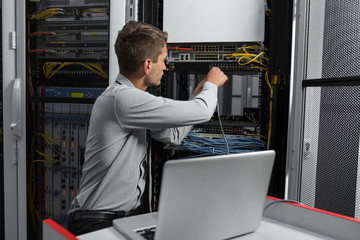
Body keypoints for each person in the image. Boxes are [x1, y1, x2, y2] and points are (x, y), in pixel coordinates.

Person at [67, 21, 228, 235]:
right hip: (97, 222)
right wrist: (211, 85)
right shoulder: (122, 99)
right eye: (163, 60)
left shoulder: (132, 101)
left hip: (119, 219)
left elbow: (173, 135)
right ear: (147, 65)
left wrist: (196, 95)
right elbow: (203, 111)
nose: (165, 66)